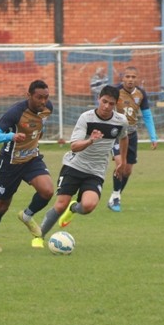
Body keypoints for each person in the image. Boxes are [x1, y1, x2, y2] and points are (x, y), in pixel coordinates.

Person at [34, 85, 129, 245]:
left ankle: (73, 209)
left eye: (111, 104)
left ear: (116, 104)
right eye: (104, 101)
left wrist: (122, 161)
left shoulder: (121, 121)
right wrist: (91, 140)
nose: (106, 106)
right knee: (60, 205)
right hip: (74, 166)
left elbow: (124, 138)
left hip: (96, 171)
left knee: (88, 206)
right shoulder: (86, 118)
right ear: (99, 98)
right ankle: (38, 237)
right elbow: (74, 146)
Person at [0, 80, 54, 252]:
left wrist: (35, 137)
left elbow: (38, 126)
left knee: (47, 191)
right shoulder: (15, 113)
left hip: (31, 159)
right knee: (2, 206)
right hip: (10, 164)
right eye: (39, 97)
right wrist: (11, 137)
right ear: (28, 95)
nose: (43, 101)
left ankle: (27, 215)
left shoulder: (47, 108)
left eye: (46, 97)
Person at [107, 66, 159, 212]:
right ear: (122, 78)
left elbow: (147, 116)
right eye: (127, 76)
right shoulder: (115, 92)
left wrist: (153, 137)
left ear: (137, 79)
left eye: (133, 77)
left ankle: (115, 195)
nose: (130, 80)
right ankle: (116, 197)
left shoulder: (141, 94)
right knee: (120, 164)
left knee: (128, 170)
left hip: (132, 134)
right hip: (116, 134)